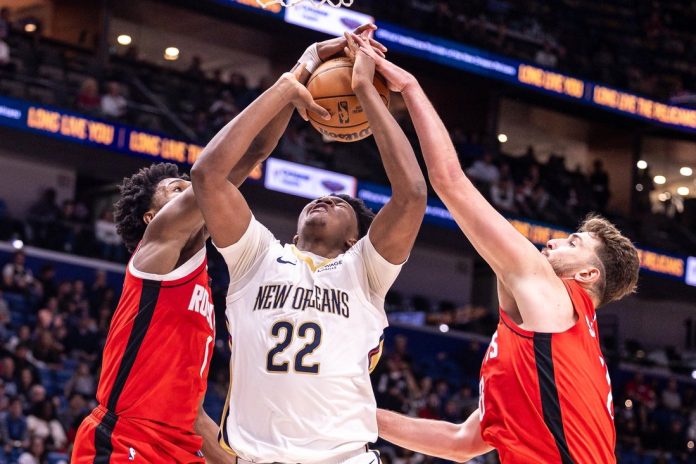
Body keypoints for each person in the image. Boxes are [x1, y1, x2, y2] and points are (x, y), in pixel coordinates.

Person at [358, 44, 640, 463]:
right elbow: (460, 443)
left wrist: (411, 88)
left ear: (586, 276)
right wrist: (354, 415)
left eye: (573, 243)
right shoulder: (556, 342)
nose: (553, 242)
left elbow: (449, 181)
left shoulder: (555, 296)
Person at [191, 25, 425, 464]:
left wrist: (366, 91)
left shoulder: (365, 271)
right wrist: (299, 71)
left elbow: (411, 194)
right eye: (321, 199)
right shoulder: (256, 256)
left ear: (355, 238)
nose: (326, 200)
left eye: (340, 204)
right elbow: (207, 175)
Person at [70, 135, 280, 460]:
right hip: (126, 439)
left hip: (175, 446)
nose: (190, 192)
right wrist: (281, 98)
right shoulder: (156, 253)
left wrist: (292, 104)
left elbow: (195, 418)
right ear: (152, 218)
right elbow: (212, 174)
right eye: (176, 190)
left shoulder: (202, 282)